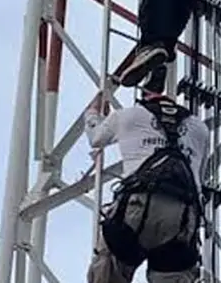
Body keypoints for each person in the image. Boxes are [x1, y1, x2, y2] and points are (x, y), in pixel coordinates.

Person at [84, 77, 209, 283]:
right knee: (176, 274)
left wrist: (91, 114)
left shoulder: (128, 115)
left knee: (109, 269)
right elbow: (200, 180)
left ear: (145, 95)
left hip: (137, 207)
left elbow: (95, 138)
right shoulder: (200, 128)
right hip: (182, 217)